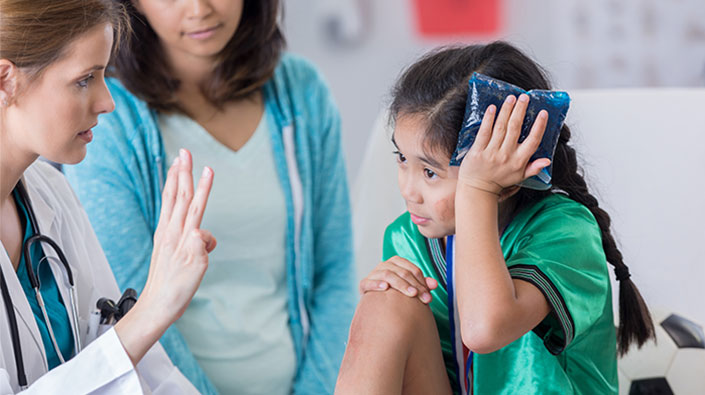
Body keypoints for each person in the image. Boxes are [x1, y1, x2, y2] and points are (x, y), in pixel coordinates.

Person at [63, 0, 356, 393]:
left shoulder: (302, 92)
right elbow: (129, 305)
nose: (199, 9)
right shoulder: (104, 119)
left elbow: (335, 271)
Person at [336, 42, 655, 395]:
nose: (409, 191)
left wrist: (478, 189)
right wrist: (383, 301)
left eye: (429, 172)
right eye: (401, 159)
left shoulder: (566, 231)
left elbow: (483, 329)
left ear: (505, 180)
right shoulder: (408, 237)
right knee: (384, 303)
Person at [0, 0, 217, 393]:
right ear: (4, 80)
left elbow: (141, 371)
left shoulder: (53, 194)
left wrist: (156, 305)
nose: (108, 102)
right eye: (85, 79)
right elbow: (123, 346)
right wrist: (153, 309)